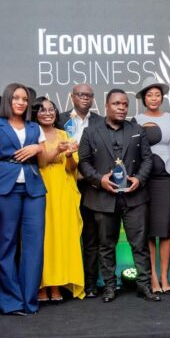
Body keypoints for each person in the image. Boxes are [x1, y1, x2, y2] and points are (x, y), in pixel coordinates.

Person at [78, 89, 160, 303]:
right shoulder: (91, 131)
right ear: (106, 106)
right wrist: (99, 180)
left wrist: (139, 179)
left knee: (140, 245)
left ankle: (144, 286)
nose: (122, 108)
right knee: (106, 245)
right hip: (103, 198)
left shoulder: (137, 130)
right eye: (117, 104)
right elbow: (83, 162)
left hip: (135, 197)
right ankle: (109, 287)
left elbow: (147, 159)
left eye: (125, 104)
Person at [0, 83, 46, 315]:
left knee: (34, 246)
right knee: (5, 244)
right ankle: (11, 301)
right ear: (8, 100)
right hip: (4, 189)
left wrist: (37, 149)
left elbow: (44, 159)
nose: (21, 102)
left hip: (34, 190)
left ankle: (29, 300)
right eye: (16, 98)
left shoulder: (35, 127)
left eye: (25, 99)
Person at [36, 96, 85, 302]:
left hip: (63, 190)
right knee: (43, 237)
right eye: (42, 110)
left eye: (51, 109)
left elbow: (72, 168)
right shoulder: (32, 133)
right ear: (34, 113)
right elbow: (40, 162)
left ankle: (57, 284)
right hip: (40, 188)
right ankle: (41, 285)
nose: (48, 113)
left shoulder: (65, 134)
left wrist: (69, 155)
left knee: (60, 237)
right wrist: (57, 149)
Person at [58, 84, 104, 298]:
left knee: (91, 236)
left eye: (89, 95)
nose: (85, 98)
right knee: (64, 236)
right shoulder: (59, 119)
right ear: (72, 97)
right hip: (63, 185)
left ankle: (90, 283)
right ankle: (64, 283)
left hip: (90, 185)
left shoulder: (100, 122)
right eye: (81, 94)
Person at [134, 76, 170, 294]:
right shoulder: (135, 120)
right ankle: (152, 278)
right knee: (149, 230)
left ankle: (165, 279)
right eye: (149, 95)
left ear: (162, 98)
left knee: (165, 229)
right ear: (144, 98)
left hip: (167, 178)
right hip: (144, 180)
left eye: (157, 95)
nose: (153, 98)